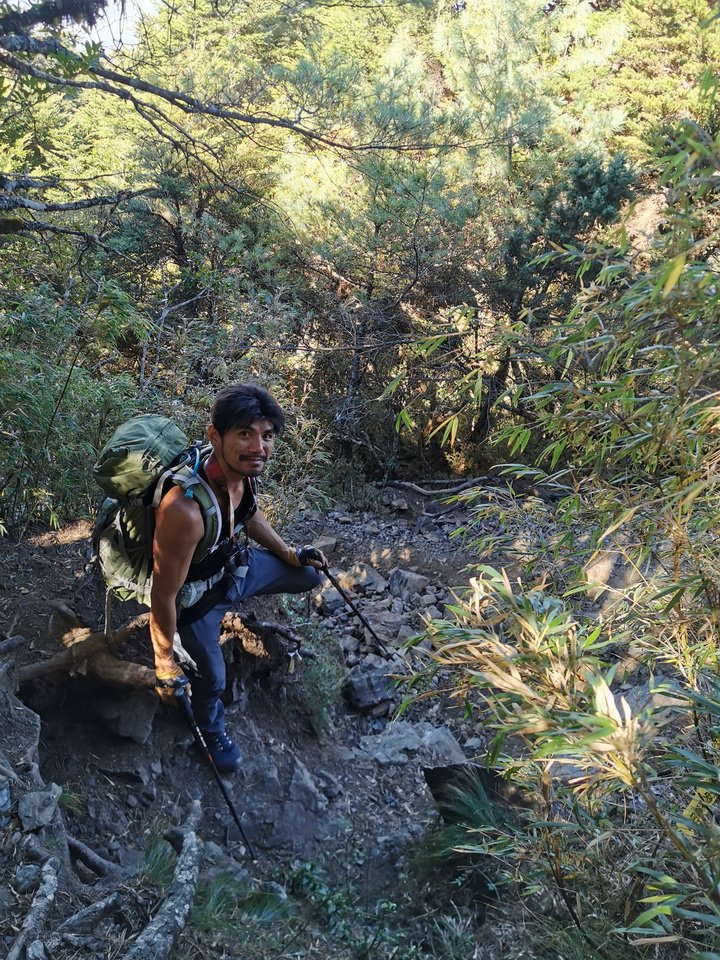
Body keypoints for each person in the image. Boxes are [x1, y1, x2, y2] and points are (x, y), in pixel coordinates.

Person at [149, 383, 327, 772]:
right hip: (199, 602)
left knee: (310, 577)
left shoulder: (243, 471)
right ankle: (210, 730)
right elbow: (163, 595)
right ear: (215, 436)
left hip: (234, 571)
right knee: (213, 678)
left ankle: (238, 604)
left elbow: (250, 513)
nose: (258, 447)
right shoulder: (184, 510)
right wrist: (164, 662)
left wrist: (288, 553)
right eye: (245, 433)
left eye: (266, 436)